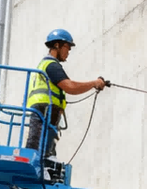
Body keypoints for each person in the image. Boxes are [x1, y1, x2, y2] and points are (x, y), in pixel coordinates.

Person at [24, 28, 106, 159]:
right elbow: (70, 87)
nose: (68, 52)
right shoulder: (51, 65)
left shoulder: (44, 65)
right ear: (57, 45)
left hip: (44, 111)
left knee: (39, 148)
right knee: (40, 153)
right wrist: (94, 83)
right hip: (46, 111)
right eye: (67, 47)